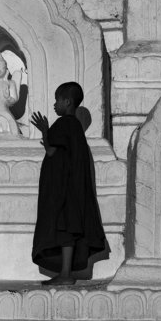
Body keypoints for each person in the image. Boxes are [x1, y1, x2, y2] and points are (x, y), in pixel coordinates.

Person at [30, 81, 108, 285]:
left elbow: (51, 151)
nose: (55, 105)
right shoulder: (76, 128)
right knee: (68, 230)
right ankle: (65, 273)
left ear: (67, 102)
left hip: (62, 190)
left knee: (64, 229)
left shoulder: (64, 124)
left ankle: (66, 274)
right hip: (72, 189)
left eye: (57, 100)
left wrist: (45, 131)